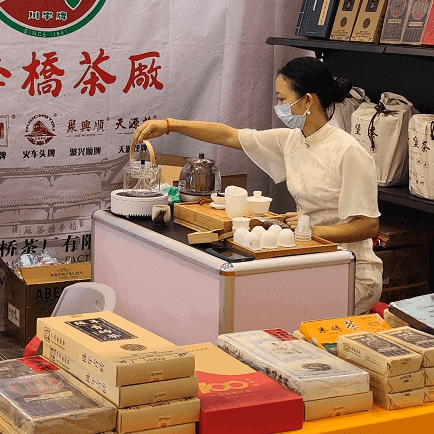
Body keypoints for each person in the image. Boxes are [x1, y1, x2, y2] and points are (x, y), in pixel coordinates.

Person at [133, 57, 383, 314]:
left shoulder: (349, 152)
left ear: (308, 100)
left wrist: (312, 229)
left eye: (283, 99)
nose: (279, 107)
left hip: (351, 273)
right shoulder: (293, 140)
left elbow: (368, 225)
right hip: (310, 257)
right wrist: (170, 125)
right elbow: (229, 135)